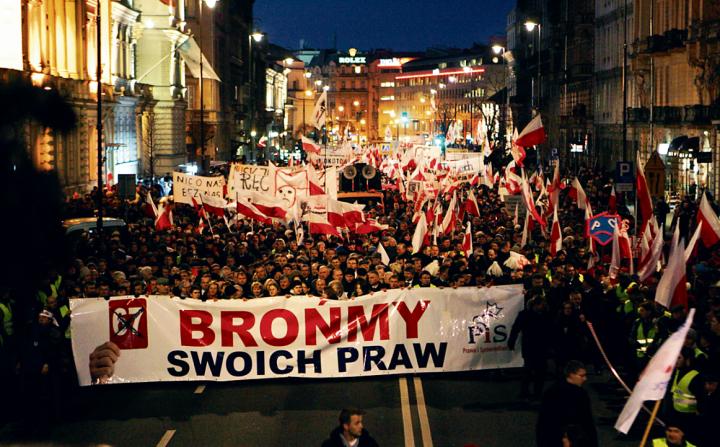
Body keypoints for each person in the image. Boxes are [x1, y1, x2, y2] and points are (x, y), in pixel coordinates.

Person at [536, 360, 598, 447]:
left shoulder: (552, 391)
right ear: (571, 375)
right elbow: (586, 420)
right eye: (581, 376)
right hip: (567, 437)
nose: (585, 379)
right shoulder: (578, 394)